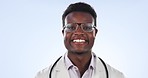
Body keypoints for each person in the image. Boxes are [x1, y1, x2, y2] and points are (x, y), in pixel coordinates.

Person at [35, 2, 125, 78]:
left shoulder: (117, 76)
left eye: (87, 27)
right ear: (63, 33)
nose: (78, 32)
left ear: (95, 33)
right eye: (71, 27)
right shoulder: (42, 76)